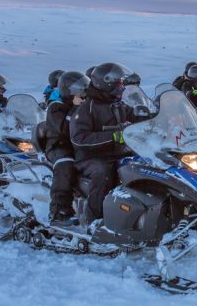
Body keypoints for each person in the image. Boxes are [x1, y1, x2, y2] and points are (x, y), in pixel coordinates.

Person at [70, 62, 135, 225]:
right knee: (102, 172)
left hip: (117, 153)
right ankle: (95, 220)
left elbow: (134, 116)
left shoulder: (117, 103)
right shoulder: (87, 107)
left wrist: (153, 116)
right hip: (91, 157)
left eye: (122, 82)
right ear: (106, 82)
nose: (121, 86)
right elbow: (79, 138)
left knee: (142, 165)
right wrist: (113, 136)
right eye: (118, 82)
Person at [43, 71, 89, 225]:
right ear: (69, 90)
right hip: (60, 145)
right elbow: (64, 128)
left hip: (80, 145)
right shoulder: (56, 107)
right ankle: (59, 211)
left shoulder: (84, 105)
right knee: (66, 164)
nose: (82, 92)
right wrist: (75, 109)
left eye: (83, 88)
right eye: (79, 89)